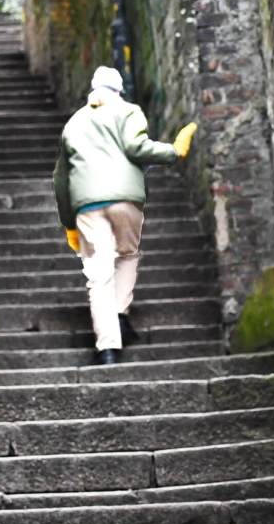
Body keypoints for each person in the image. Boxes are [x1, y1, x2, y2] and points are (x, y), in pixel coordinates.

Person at [53, 66, 197, 365]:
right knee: (127, 255)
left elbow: (61, 178)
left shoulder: (74, 123)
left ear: (93, 90)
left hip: (86, 205)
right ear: (119, 90)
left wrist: (69, 223)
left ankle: (107, 348)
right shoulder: (128, 111)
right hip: (125, 200)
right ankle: (119, 313)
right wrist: (172, 152)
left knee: (98, 275)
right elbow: (136, 147)